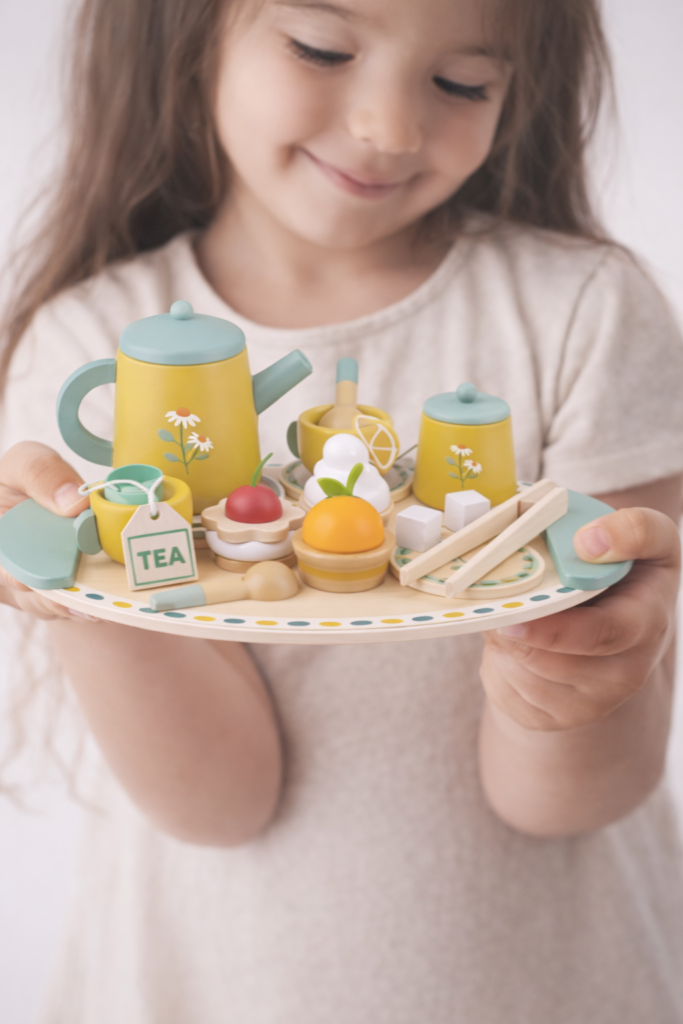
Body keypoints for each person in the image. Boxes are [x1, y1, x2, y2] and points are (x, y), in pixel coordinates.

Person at [1, 0, 683, 1020]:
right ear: (183, 32)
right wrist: (81, 580)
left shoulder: (580, 309)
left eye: (462, 83)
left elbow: (566, 798)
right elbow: (219, 802)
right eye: (320, 48)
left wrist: (578, 671)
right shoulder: (95, 344)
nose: (390, 128)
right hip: (208, 981)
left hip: (549, 982)